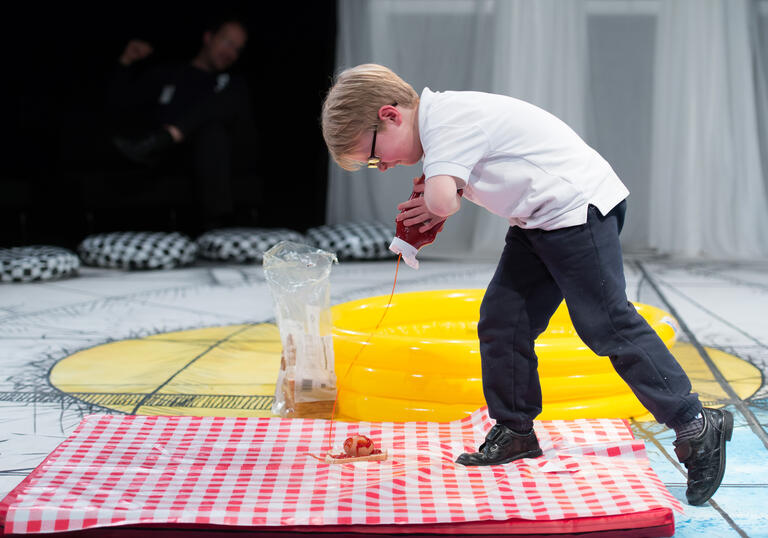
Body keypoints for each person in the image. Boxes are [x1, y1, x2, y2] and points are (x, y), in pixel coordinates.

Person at [320, 63, 732, 506]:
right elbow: (448, 194)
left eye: (375, 157)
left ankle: (694, 422)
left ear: (391, 115)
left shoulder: (446, 120)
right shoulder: (442, 124)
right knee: (503, 319)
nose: (382, 169)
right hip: (540, 219)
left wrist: (439, 203)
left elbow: (442, 199)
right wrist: (441, 199)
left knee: (606, 323)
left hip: (576, 210)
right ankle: (516, 430)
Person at [106, 16, 255, 229]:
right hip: (167, 160)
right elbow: (119, 107)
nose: (231, 53)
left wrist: (172, 134)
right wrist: (126, 61)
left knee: (214, 128)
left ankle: (167, 137)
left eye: (238, 49)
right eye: (227, 42)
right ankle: (163, 140)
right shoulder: (168, 74)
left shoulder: (230, 86)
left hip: (215, 160)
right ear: (208, 37)